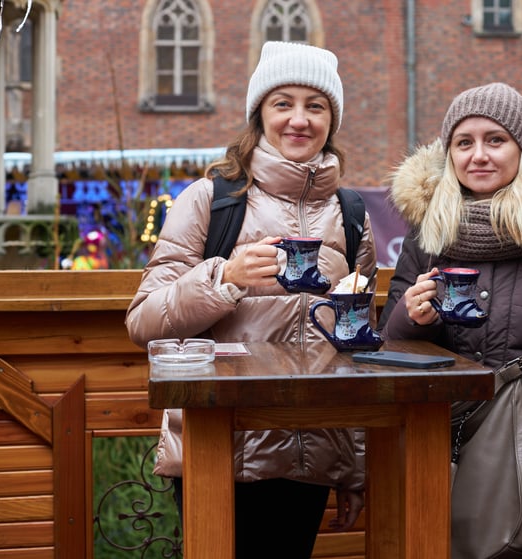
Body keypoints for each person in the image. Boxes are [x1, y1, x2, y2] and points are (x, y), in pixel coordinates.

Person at [126, 41, 376, 558]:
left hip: (313, 456)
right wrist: (225, 277)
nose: (299, 120)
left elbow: (354, 353)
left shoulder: (353, 217)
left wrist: (355, 465)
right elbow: (143, 321)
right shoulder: (211, 200)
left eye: (316, 105)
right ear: (259, 113)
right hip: (220, 446)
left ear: (333, 118)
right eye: (283, 103)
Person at [379, 82, 522, 401]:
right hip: (438, 429)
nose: (478, 156)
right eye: (464, 143)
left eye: (496, 140)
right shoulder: (425, 237)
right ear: (450, 154)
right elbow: (387, 347)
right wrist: (411, 319)